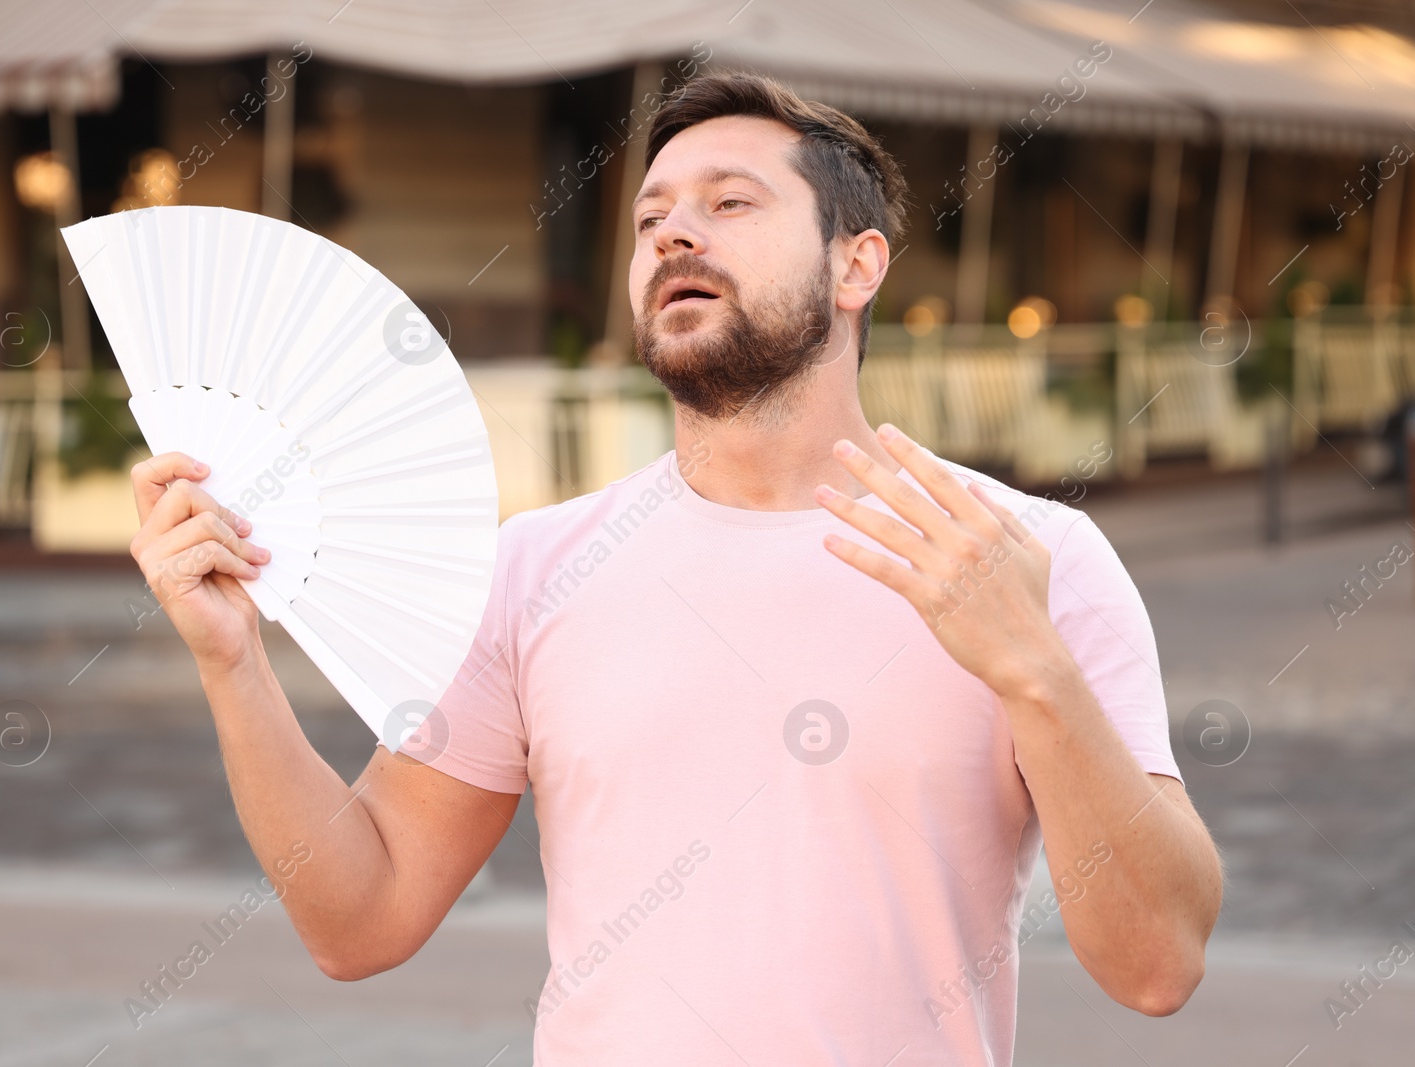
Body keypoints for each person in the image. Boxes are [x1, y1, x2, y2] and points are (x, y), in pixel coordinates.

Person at [126, 71, 1222, 1066]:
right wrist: (233, 663)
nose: (673, 236)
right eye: (651, 218)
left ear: (858, 262)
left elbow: (1156, 964)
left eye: (730, 203)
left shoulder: (1025, 557)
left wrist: (1035, 669)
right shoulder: (533, 566)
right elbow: (358, 922)